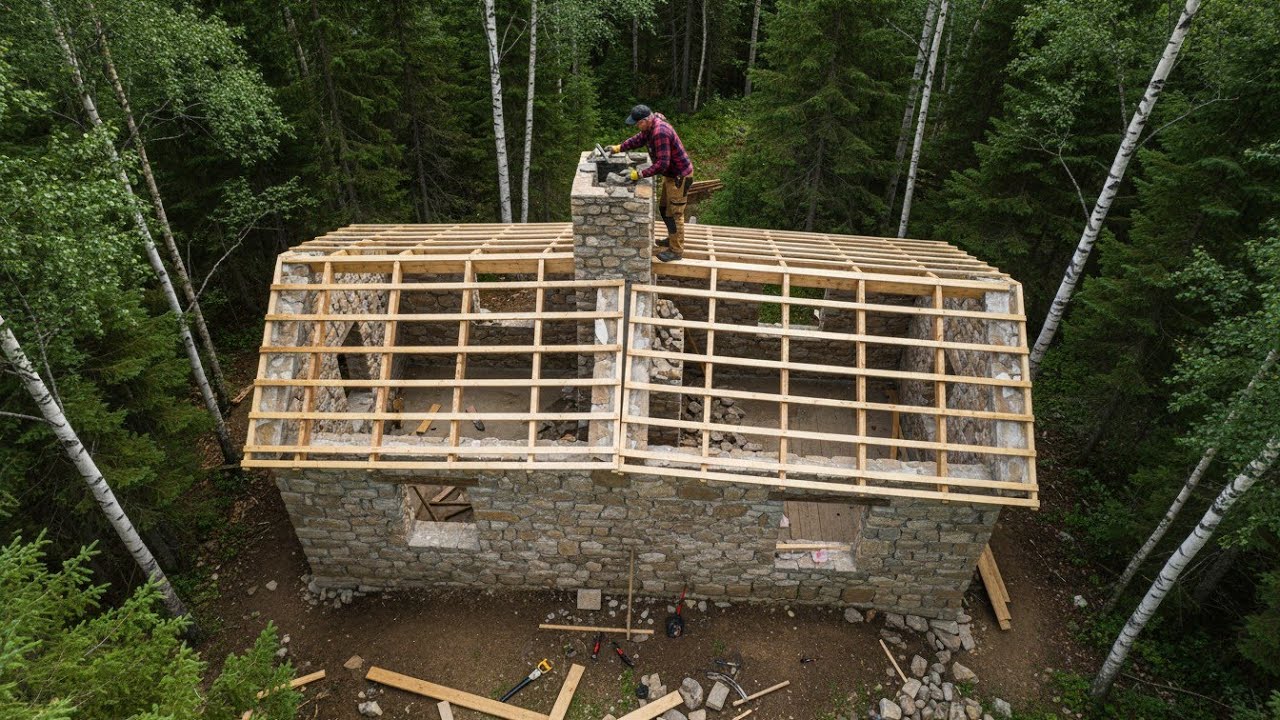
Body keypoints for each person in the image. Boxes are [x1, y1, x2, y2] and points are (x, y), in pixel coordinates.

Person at [609, 104, 693, 262]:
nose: (637, 126)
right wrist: (618, 148)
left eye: (638, 123)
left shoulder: (659, 132)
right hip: (671, 176)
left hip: (679, 177)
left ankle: (676, 251)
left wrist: (638, 174)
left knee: (675, 214)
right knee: (664, 210)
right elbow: (637, 140)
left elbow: (662, 164)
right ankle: (672, 239)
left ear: (646, 119)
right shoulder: (649, 128)